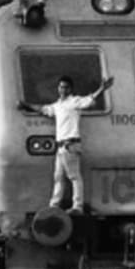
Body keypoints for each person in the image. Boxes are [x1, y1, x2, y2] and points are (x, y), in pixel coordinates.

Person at [17, 74, 114, 215]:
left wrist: (102, 89)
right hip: (61, 146)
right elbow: (43, 109)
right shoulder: (57, 106)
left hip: (70, 144)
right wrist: (26, 105)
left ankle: (77, 206)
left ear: (71, 89)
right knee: (58, 177)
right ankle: (54, 206)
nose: (63, 89)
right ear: (58, 88)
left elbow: (90, 100)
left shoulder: (75, 101)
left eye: (66, 87)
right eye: (61, 87)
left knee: (74, 176)